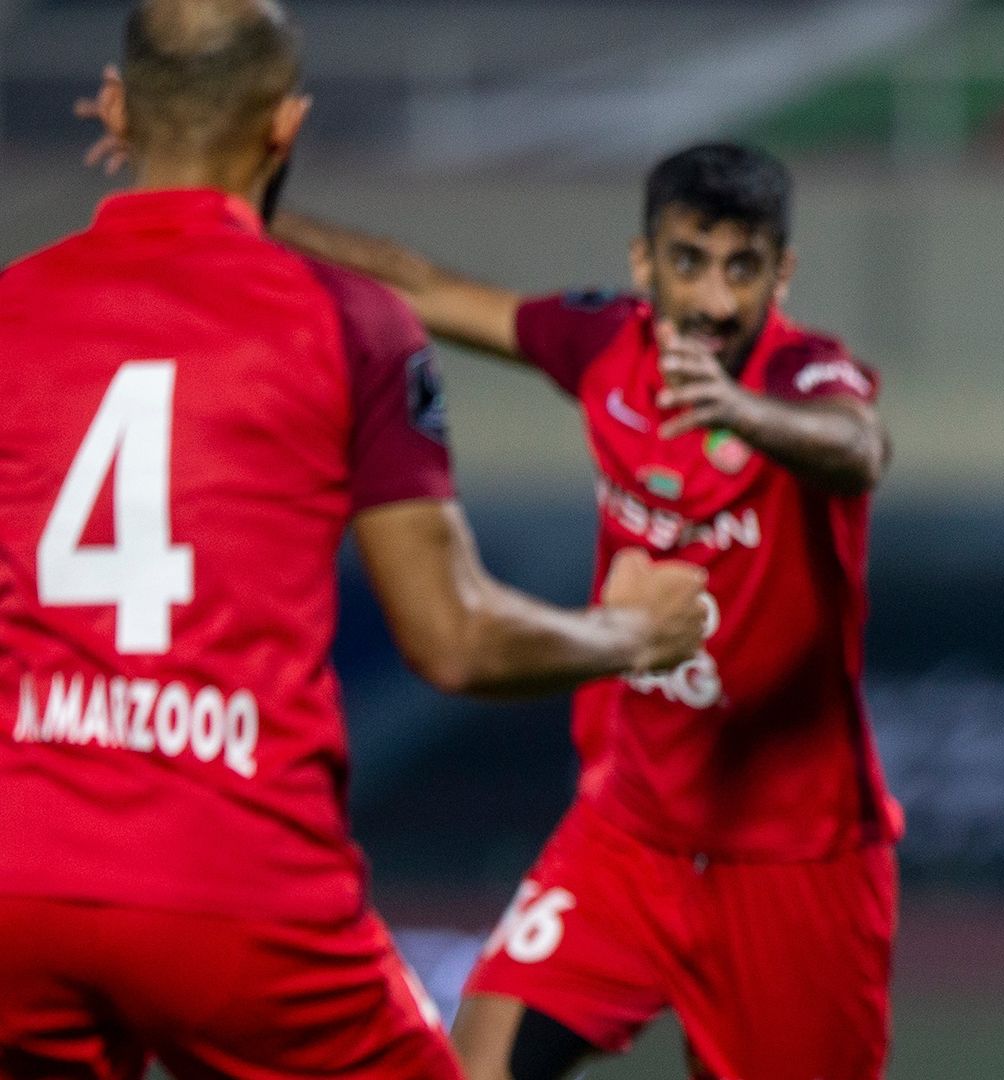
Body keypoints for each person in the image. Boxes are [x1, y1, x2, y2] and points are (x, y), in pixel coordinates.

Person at [0, 2, 710, 1076]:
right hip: (237, 892)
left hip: (20, 885)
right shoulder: (350, 324)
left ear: (116, 107)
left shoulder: (14, 309)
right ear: (287, 127)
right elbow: (455, 638)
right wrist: (629, 633)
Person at [267, 142, 900, 1080]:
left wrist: (741, 409)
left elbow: (859, 447)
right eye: (690, 261)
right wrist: (240, 206)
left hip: (794, 861)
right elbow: (423, 287)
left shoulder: (804, 377)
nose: (717, 301)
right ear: (643, 264)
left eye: (744, 267)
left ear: (783, 271)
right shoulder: (603, 345)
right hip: (628, 839)